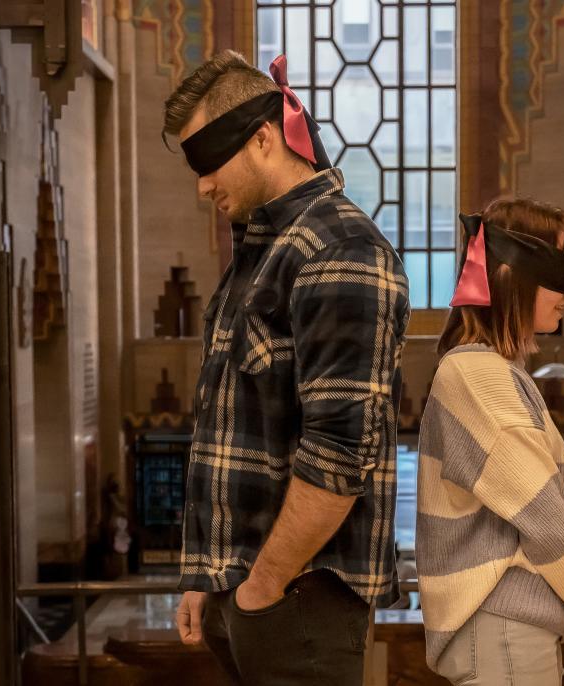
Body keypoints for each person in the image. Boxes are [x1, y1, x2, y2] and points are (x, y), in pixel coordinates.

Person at [164, 50, 410, 685]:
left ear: (263, 138)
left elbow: (338, 452)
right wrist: (210, 576)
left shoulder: (340, 249)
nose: (201, 185)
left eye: (208, 162)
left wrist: (262, 587)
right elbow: (228, 428)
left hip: (298, 597)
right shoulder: (264, 249)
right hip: (250, 589)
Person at [416, 198, 564, 685]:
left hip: (506, 630)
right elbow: (545, 516)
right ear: (511, 274)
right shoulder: (479, 376)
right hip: (503, 631)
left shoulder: (488, 371)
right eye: (556, 270)